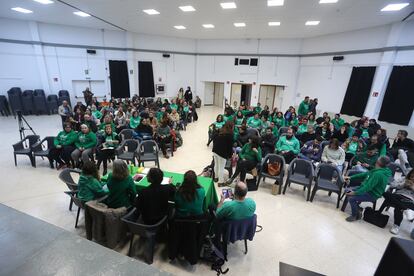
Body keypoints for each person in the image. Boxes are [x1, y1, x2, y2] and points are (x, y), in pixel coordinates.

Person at [345, 156, 392, 222]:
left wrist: (355, 193)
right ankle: (358, 209)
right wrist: (350, 177)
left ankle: (354, 215)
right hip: (366, 189)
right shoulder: (379, 170)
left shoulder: (378, 174)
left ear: (378, 162)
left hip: (372, 194)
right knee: (347, 191)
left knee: (351, 198)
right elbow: (365, 174)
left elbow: (367, 187)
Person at [379, 169, 414, 234]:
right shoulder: (404, 179)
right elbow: (392, 184)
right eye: (412, 176)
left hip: (409, 200)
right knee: (385, 193)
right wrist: (403, 184)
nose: (412, 178)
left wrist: (412, 187)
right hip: (398, 196)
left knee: (399, 206)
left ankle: (396, 226)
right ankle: (406, 209)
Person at [213, 121, 234, 187]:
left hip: (215, 150)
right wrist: (230, 155)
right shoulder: (230, 135)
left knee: (216, 165)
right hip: (222, 153)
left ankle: (215, 178)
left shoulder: (220, 131)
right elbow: (230, 147)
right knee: (221, 168)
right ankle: (220, 182)